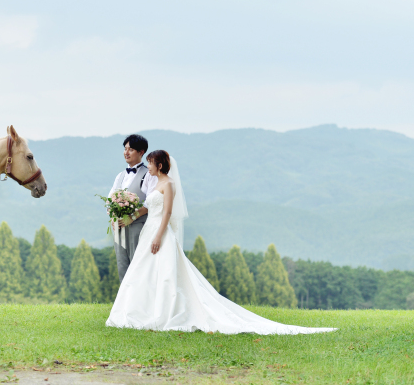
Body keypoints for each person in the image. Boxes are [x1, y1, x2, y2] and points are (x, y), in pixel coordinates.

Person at [106, 150, 336, 335]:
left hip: (160, 232)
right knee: (144, 272)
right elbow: (149, 207)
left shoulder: (169, 185)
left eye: (151, 162)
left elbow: (166, 214)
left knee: (164, 273)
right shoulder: (155, 184)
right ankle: (141, 311)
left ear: (161, 165)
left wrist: (158, 236)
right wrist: (131, 217)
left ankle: (165, 313)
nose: (149, 166)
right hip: (148, 230)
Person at [109, 134, 158, 282]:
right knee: (122, 264)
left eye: (131, 149)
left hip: (138, 225)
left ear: (141, 152)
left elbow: (151, 202)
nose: (126, 152)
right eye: (125, 149)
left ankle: (141, 301)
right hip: (119, 227)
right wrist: (113, 216)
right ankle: (125, 303)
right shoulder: (120, 175)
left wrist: (132, 217)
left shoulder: (149, 174)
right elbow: (110, 199)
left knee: (138, 264)